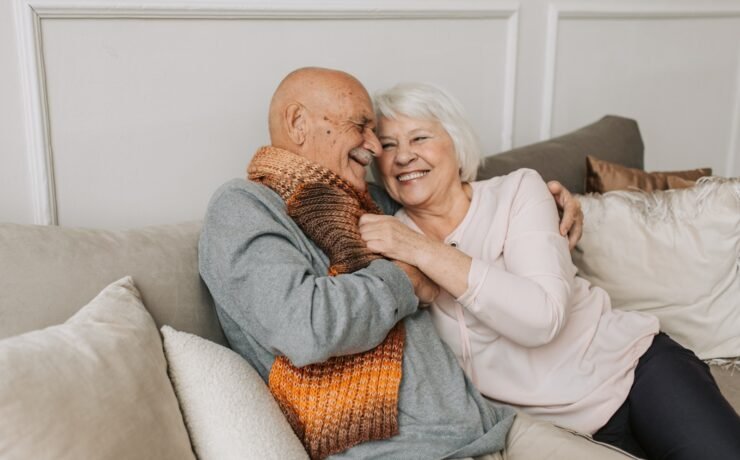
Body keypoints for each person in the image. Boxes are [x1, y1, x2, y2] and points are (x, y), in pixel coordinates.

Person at [199, 66, 635, 460]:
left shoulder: (367, 202)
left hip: (492, 425)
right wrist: (404, 280)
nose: (374, 147)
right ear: (298, 123)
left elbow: (449, 190)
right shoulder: (243, 208)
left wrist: (554, 198)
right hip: (405, 449)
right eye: (362, 127)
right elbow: (304, 325)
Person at [359, 81, 740, 460]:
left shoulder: (517, 192)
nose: (403, 156)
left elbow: (541, 319)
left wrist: (424, 251)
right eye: (388, 145)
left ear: (456, 145)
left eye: (420, 137)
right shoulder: (388, 235)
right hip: (549, 433)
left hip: (634, 372)